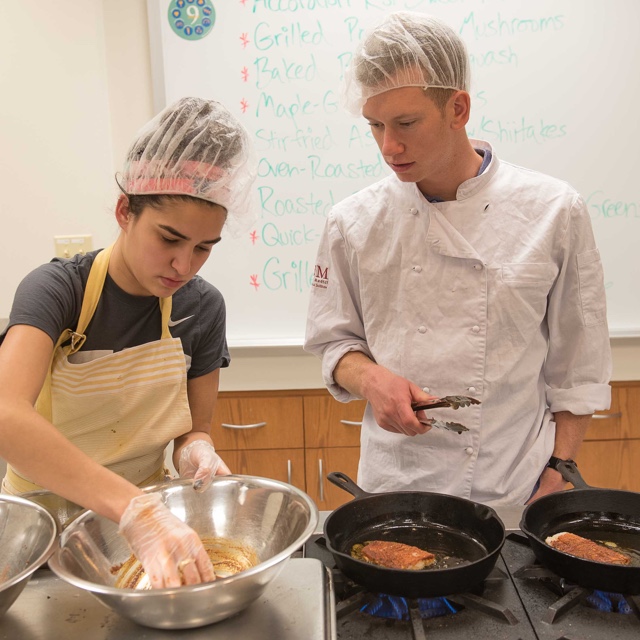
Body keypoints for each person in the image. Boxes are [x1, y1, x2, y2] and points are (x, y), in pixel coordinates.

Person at [304, 12, 612, 507]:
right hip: (394, 486)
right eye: (375, 126)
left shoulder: (553, 210)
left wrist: (559, 470)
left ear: (458, 108)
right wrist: (371, 379)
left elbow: (579, 367)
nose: (389, 146)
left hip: (514, 485)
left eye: (406, 123)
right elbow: (334, 342)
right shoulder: (353, 221)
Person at [0, 96, 256, 586]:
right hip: (41, 532)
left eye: (203, 248)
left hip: (142, 537)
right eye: (169, 238)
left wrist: (194, 451)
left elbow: (194, 429)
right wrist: (132, 506)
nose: (184, 265)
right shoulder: (59, 291)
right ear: (125, 211)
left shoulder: (203, 308)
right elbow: (7, 415)